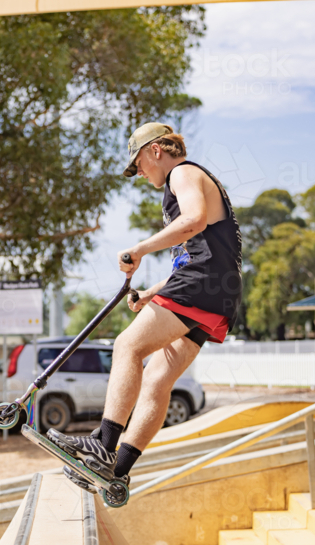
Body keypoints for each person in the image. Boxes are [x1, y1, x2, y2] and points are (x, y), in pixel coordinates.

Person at [47, 122, 242, 491]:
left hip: (201, 284)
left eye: (138, 164)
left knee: (127, 346)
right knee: (157, 378)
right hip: (220, 293)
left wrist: (138, 249)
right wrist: (154, 292)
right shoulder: (193, 179)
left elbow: (194, 221)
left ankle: (102, 445)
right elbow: (201, 252)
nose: (139, 173)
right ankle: (117, 470)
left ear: (156, 151)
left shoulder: (183, 173)